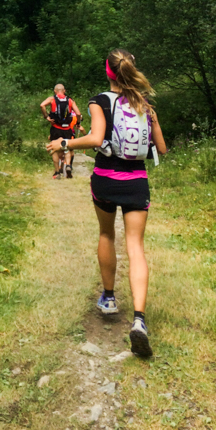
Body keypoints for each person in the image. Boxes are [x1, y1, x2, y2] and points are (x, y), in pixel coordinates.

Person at [46, 50, 167, 358]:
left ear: (108, 73)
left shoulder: (99, 101)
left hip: (106, 179)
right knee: (136, 246)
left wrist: (65, 142)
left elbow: (97, 138)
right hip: (136, 181)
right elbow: (162, 149)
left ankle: (110, 298)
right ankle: (139, 319)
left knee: (106, 235)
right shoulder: (145, 104)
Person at [40, 84, 84, 179]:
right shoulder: (70, 100)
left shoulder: (52, 99)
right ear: (64, 91)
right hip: (67, 129)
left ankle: (57, 173)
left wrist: (46, 116)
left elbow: (42, 105)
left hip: (56, 128)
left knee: (55, 150)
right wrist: (78, 123)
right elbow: (78, 113)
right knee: (67, 147)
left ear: (55, 91)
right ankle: (68, 165)